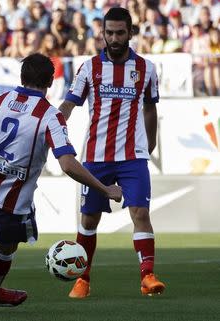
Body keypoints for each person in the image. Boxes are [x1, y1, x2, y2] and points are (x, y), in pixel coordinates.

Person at [0, 53, 122, 317]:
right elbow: (67, 164)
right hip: (11, 201)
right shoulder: (50, 116)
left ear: (21, 77)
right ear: (51, 81)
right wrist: (105, 189)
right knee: (6, 246)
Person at [58, 7, 166, 299]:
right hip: (96, 157)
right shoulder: (89, 67)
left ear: (130, 33)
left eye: (120, 32)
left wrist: (150, 144)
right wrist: (54, 124)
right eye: (109, 33)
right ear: (102, 34)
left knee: (140, 213)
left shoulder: (147, 68)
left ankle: (147, 276)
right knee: (90, 219)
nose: (114, 38)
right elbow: (69, 103)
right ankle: (83, 279)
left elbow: (150, 107)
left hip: (133, 156)